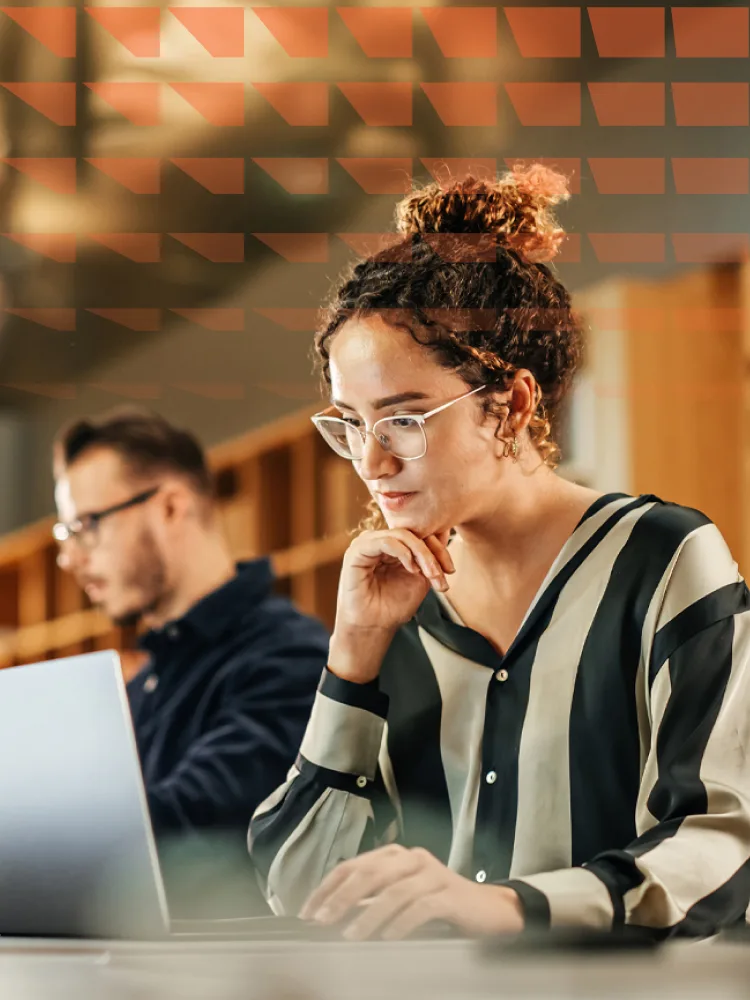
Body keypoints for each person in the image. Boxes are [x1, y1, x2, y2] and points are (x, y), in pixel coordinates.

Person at [249, 164, 750, 940]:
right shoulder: (396, 609)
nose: (372, 463)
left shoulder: (664, 559)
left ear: (511, 404)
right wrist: (352, 654)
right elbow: (301, 889)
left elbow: (719, 850)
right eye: (350, 424)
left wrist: (511, 906)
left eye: (404, 420)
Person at [52, 408, 330, 916]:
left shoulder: (290, 656)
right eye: (66, 535)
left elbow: (191, 824)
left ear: (171, 508)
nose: (71, 558)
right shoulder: (140, 688)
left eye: (86, 525)